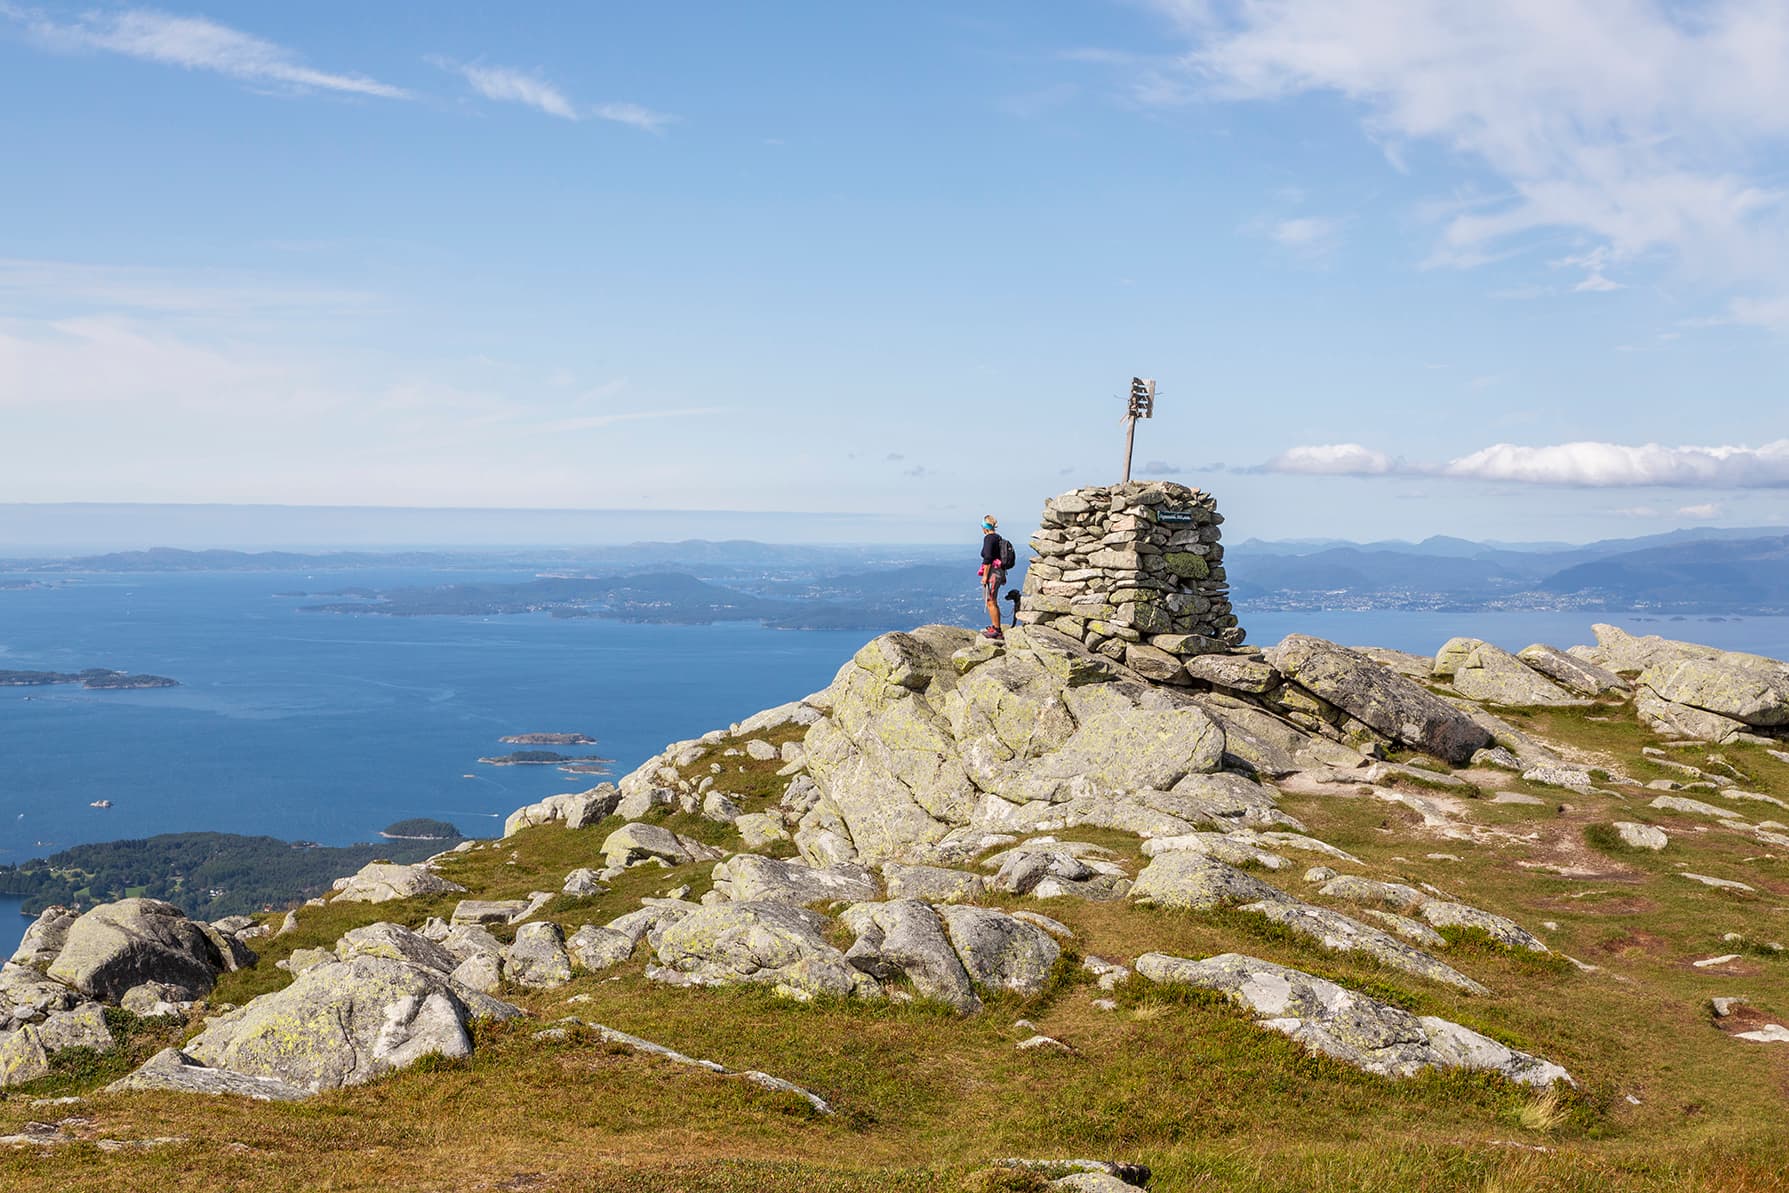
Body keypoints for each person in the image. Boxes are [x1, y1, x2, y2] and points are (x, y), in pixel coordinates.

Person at [978, 515, 1005, 640]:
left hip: (992, 573)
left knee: (990, 601)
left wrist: (985, 576)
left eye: (982, 526)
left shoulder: (989, 538)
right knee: (993, 600)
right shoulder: (998, 538)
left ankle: (996, 630)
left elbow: (988, 558)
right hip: (998, 571)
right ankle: (996, 627)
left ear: (985, 527)